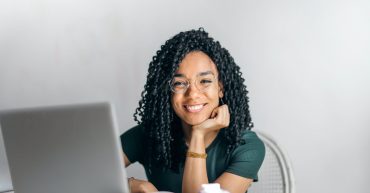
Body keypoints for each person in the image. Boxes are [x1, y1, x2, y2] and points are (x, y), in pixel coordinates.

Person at [121, 28, 265, 193]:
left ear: (220, 88)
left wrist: (198, 134)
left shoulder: (246, 147)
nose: (193, 94)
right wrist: (131, 185)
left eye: (204, 81)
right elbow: (89, 171)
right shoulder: (149, 134)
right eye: (179, 83)